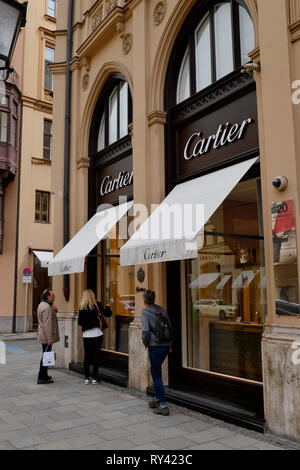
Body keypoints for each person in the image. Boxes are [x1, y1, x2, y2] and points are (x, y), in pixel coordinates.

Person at [141, 290, 172, 416]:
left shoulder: (145, 312)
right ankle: (156, 398)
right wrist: (170, 344)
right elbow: (169, 327)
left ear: (144, 301)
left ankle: (163, 405)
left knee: (157, 373)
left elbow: (146, 331)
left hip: (155, 346)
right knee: (155, 370)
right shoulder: (162, 309)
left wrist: (145, 342)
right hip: (165, 345)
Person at [78, 289, 112, 384]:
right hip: (97, 334)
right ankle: (94, 378)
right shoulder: (97, 305)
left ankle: (86, 377)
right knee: (96, 355)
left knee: (87, 355)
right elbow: (108, 314)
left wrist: (88, 323)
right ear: (93, 296)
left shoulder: (82, 307)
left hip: (86, 335)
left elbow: (80, 322)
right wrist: (108, 306)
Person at [37, 289, 59, 384]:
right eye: (52, 295)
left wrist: (54, 309)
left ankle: (44, 375)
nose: (54, 297)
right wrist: (50, 339)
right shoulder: (46, 307)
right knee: (45, 356)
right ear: (48, 297)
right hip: (46, 336)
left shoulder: (43, 304)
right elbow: (47, 324)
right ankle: (41, 377)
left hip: (43, 334)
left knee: (46, 355)